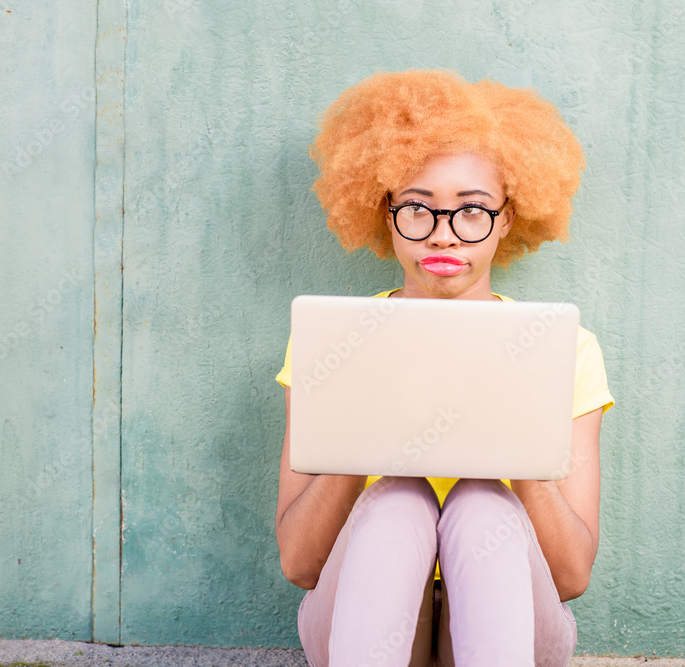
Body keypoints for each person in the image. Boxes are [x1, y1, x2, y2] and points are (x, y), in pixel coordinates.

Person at [274, 69, 614, 666]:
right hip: (363, 627)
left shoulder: (567, 349)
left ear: (507, 217)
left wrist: (522, 456)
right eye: (418, 208)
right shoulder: (331, 343)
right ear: (385, 212)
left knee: (483, 502)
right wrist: (361, 443)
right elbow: (301, 565)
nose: (444, 235)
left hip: (510, 628)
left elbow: (570, 577)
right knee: (398, 498)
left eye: (473, 210)